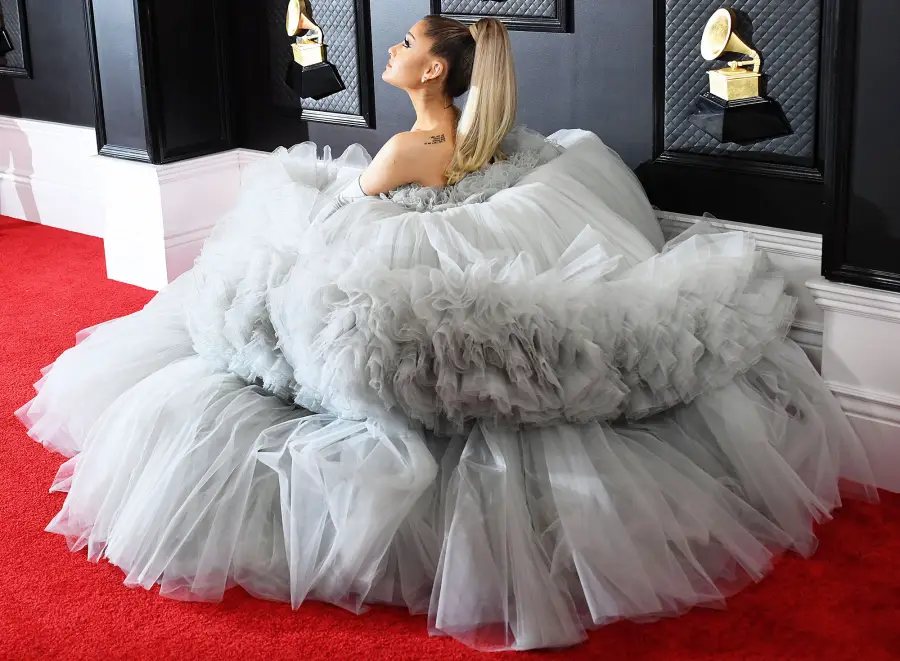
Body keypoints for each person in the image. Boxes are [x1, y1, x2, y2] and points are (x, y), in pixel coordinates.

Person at [15, 15, 889, 653]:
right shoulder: (488, 141)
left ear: (433, 74)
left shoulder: (400, 156)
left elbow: (329, 237)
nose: (391, 51)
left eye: (405, 45)